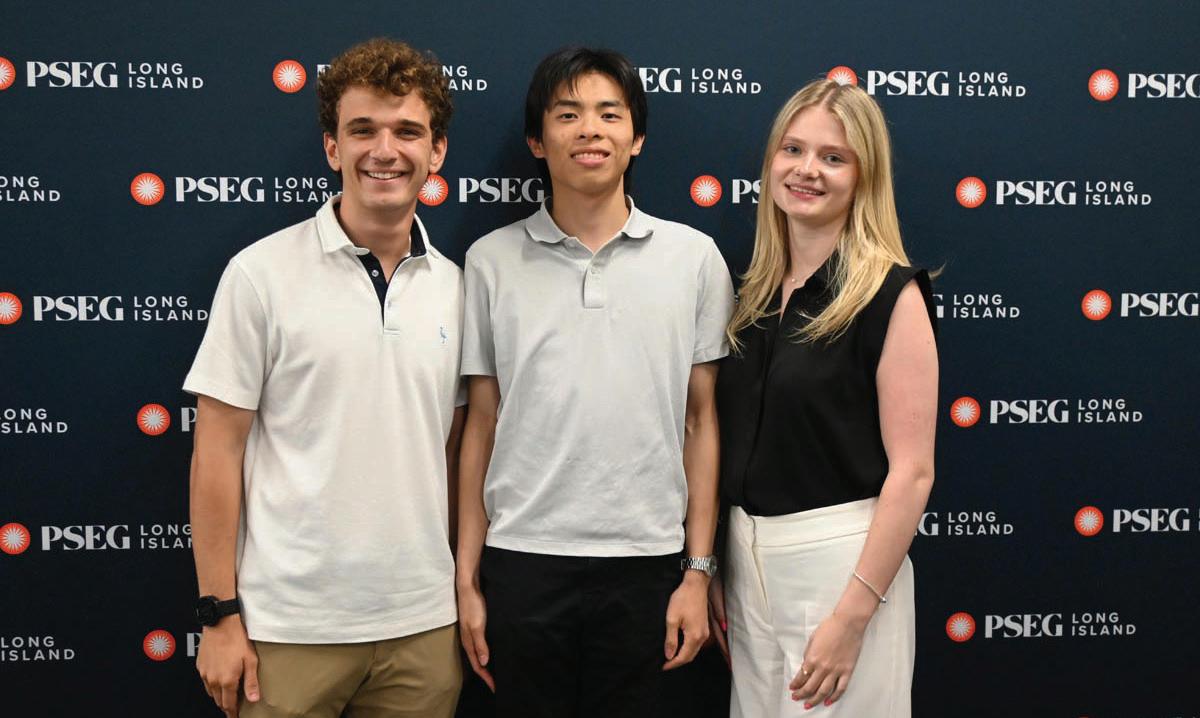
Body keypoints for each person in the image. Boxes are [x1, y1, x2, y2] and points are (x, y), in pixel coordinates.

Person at [184, 38, 464, 718]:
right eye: (362, 130)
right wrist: (218, 613)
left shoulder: (460, 288)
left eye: (407, 131)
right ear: (333, 148)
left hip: (424, 628)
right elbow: (216, 448)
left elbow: (456, 451)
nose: (384, 151)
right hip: (287, 631)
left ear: (437, 151)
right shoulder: (260, 274)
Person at [454, 47, 735, 718]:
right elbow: (481, 424)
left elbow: (701, 421)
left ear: (636, 138)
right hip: (521, 560)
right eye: (568, 114)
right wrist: (466, 578)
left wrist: (698, 572)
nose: (590, 130)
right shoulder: (489, 262)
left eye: (610, 114)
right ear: (536, 140)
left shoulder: (694, 259)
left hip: (649, 563)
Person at [712, 78, 938, 717]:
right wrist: (720, 567)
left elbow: (913, 473)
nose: (806, 169)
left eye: (833, 157)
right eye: (793, 150)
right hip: (745, 560)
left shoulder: (892, 296)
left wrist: (852, 617)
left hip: (842, 566)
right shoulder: (754, 294)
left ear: (865, 176)